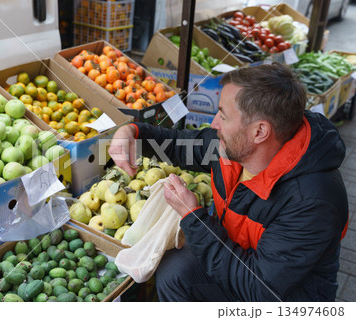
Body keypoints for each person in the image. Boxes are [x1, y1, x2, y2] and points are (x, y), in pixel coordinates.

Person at [108, 63, 349, 302]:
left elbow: (260, 289)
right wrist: (132, 132)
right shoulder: (234, 150)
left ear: (259, 132)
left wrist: (193, 217)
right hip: (241, 260)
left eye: (223, 116)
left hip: (284, 297)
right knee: (174, 271)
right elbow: (176, 143)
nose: (214, 124)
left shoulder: (314, 201)